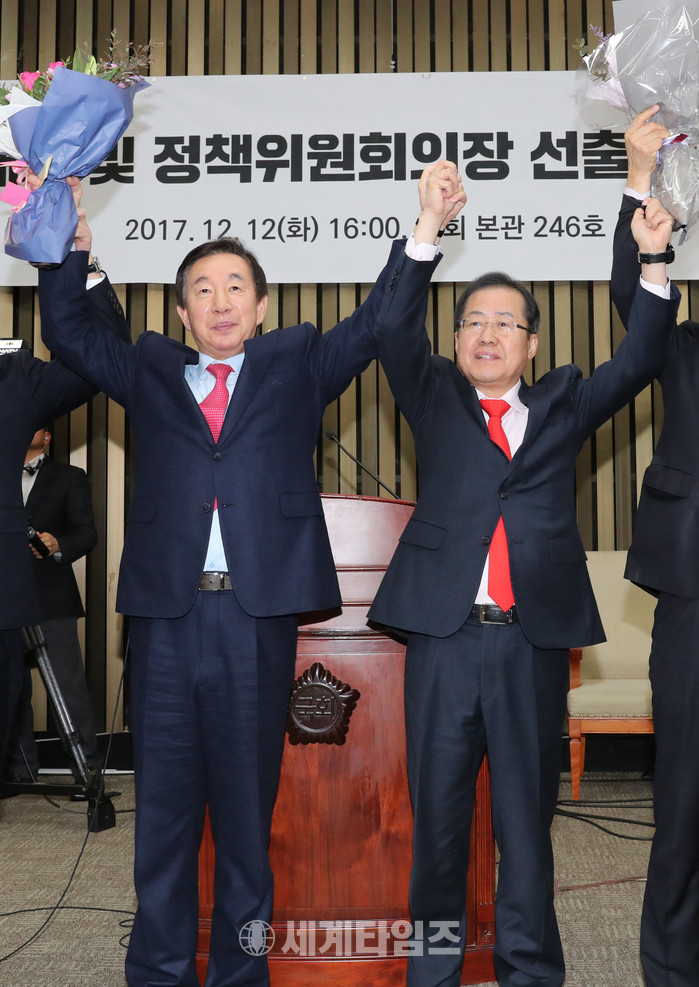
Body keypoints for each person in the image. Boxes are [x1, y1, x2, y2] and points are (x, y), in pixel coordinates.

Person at [36, 167, 464, 987]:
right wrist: (67, 247)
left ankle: (240, 974)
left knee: (244, 814)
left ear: (261, 305)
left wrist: (423, 229)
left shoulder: (296, 365)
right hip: (166, 620)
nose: (220, 300)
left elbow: (377, 321)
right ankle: (157, 972)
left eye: (235, 285)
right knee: (163, 817)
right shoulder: (150, 370)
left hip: (255, 620)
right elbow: (69, 331)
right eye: (202, 289)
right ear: (182, 313)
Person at [368, 161, 678, 986]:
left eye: (505, 322)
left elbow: (641, 357)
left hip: (529, 645)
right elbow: (390, 324)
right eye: (473, 321)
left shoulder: (564, 404)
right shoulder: (432, 394)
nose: (487, 333)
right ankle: (432, 972)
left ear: (531, 344)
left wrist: (652, 259)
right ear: (455, 339)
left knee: (525, 829)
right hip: (443, 640)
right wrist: (426, 226)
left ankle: (530, 971)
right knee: (438, 829)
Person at [610, 105, 699, 987]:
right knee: (683, 797)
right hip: (693, 602)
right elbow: (632, 306)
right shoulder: (685, 350)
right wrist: (639, 181)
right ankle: (673, 968)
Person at [0, 261, 129, 780]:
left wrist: (76, 266)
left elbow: (101, 357)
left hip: (19, 591)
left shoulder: (14, 380)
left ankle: (78, 772)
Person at [4, 425, 101, 783]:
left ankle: (87, 772)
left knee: (67, 687)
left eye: (37, 424)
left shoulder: (70, 476)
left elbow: (87, 532)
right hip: (6, 598)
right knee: (11, 688)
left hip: (51, 598)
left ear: (47, 437)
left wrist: (58, 544)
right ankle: (20, 772)